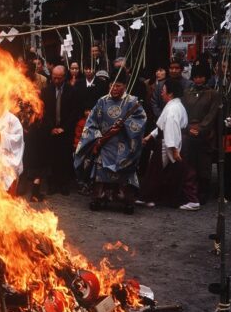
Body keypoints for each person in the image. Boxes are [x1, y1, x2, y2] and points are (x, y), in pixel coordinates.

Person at [80, 73, 147, 213]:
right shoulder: (102, 101)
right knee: (101, 169)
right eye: (111, 85)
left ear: (125, 86)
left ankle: (126, 201)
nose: (114, 88)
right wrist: (97, 138)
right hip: (105, 143)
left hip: (125, 144)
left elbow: (141, 121)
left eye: (118, 85)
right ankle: (100, 198)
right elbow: (91, 122)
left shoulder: (132, 102)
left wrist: (125, 124)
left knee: (125, 171)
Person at [138, 78, 196, 208]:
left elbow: (170, 129)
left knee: (173, 170)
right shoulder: (174, 106)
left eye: (163, 91)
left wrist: (174, 149)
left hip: (169, 141)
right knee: (159, 169)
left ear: (170, 94)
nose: (161, 93)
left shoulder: (172, 109)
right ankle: (149, 197)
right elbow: (162, 126)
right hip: (169, 140)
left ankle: (191, 199)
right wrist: (149, 136)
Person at [39, 65, 83, 196]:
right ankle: (52, 184)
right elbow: (43, 112)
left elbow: (75, 112)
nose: (56, 81)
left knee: (64, 158)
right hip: (51, 130)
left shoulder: (72, 91)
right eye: (54, 78)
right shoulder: (46, 91)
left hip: (66, 130)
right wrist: (51, 128)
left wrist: (64, 128)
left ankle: (64, 184)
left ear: (64, 77)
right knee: (51, 157)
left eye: (59, 78)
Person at [181, 64, 221, 204]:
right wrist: (188, 128)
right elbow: (183, 111)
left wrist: (201, 128)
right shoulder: (187, 93)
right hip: (189, 131)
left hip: (205, 134)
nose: (198, 80)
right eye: (196, 77)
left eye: (201, 77)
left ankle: (204, 191)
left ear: (206, 77)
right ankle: (192, 190)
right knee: (191, 161)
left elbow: (212, 114)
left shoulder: (213, 93)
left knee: (204, 164)